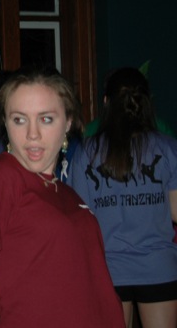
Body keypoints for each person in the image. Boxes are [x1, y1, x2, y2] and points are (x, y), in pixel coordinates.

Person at [0, 65, 124, 328]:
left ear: (68, 122)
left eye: (46, 119)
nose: (32, 134)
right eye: (19, 119)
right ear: (5, 123)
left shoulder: (67, 193)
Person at [67, 67, 177, 328]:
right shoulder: (168, 148)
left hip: (108, 271)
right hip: (158, 268)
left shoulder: (86, 152)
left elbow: (80, 218)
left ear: (106, 101)